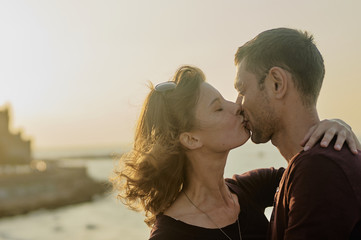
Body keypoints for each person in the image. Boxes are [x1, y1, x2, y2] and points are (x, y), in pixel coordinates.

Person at [111, 65, 359, 240]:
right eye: (218, 108)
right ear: (191, 138)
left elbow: (318, 176)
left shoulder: (249, 190)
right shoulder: (170, 235)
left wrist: (335, 128)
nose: (237, 106)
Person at [234, 27, 361, 239]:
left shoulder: (320, 169)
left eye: (242, 90)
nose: (238, 104)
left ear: (277, 83)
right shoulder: (308, 167)